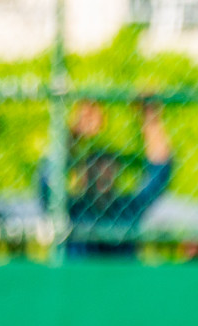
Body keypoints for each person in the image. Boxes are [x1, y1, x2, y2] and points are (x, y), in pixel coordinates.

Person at [39, 97, 173, 257]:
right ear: (83, 175)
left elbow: (160, 172)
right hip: (77, 280)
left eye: (108, 166)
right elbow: (48, 179)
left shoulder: (127, 208)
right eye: (95, 165)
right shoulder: (72, 209)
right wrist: (75, 132)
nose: (103, 172)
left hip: (120, 280)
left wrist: (150, 120)